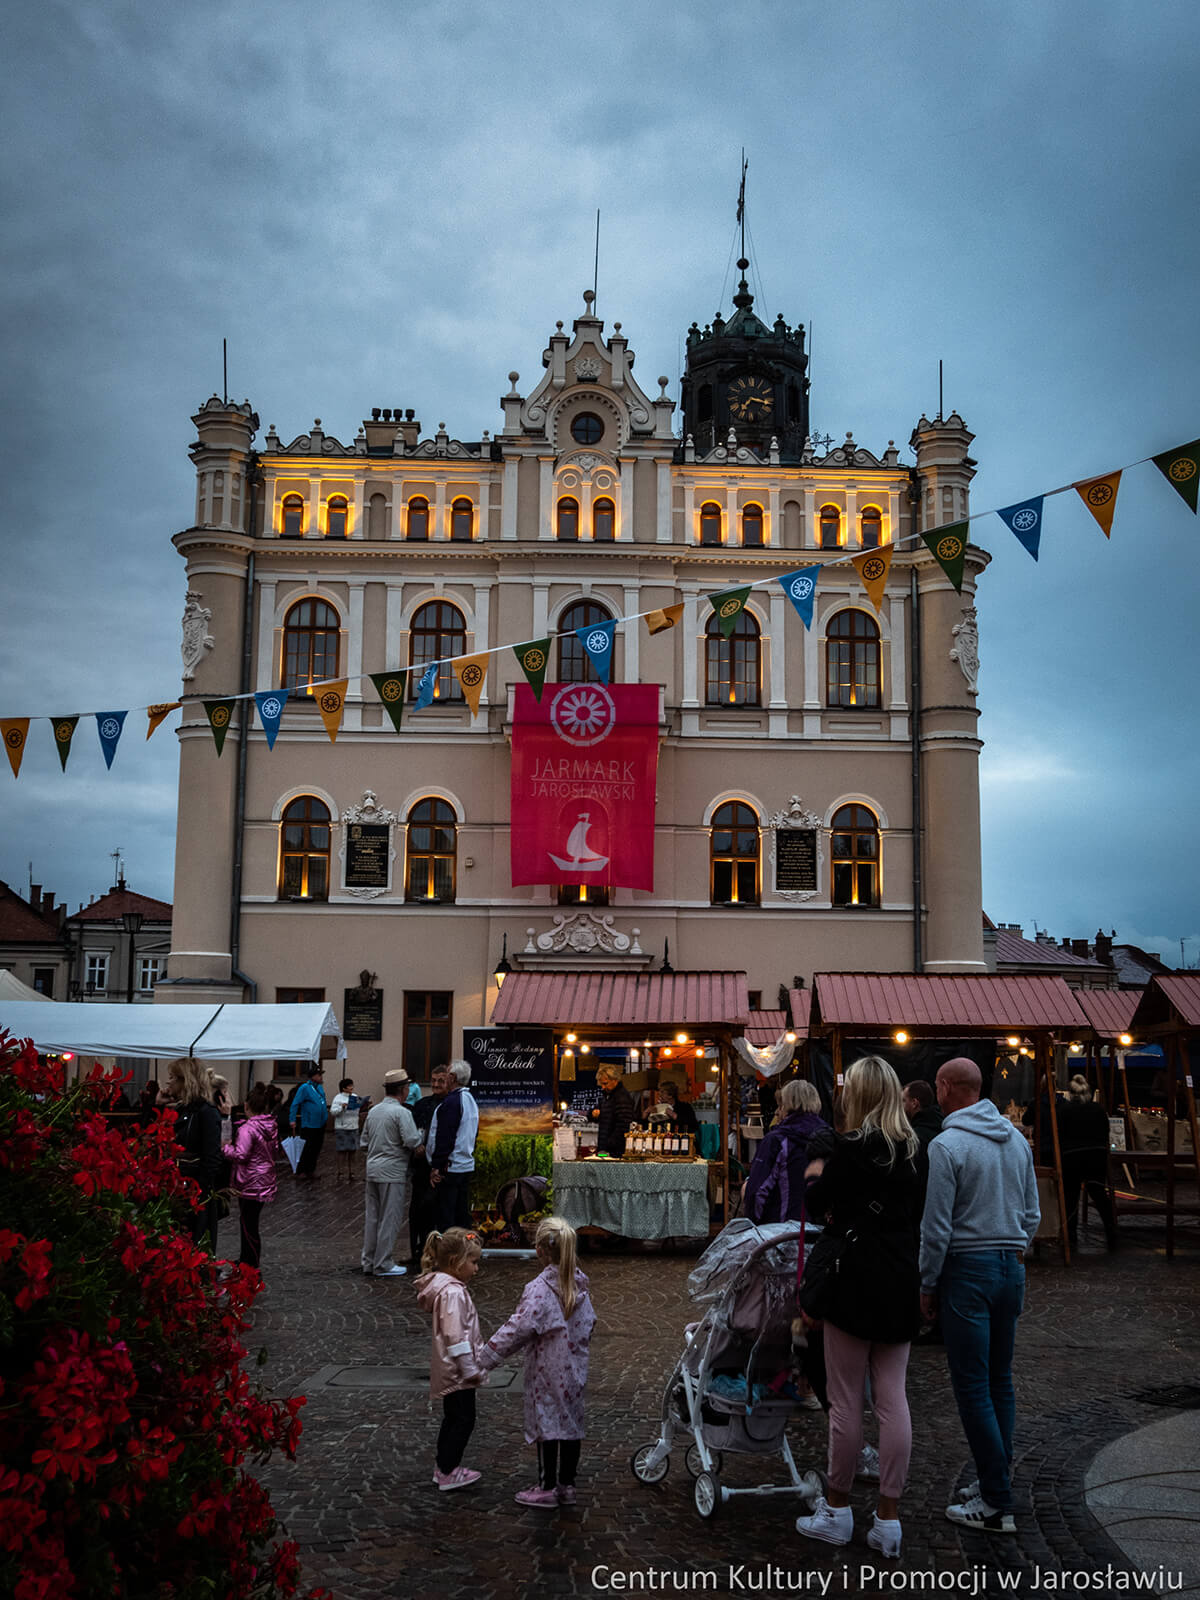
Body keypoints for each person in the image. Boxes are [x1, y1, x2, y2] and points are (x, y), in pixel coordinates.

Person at [794, 1056, 922, 1559]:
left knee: (846, 1401)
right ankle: (888, 1519)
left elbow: (815, 1200)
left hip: (852, 1282)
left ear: (859, 1096)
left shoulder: (849, 1149)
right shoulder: (915, 1151)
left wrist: (818, 1173)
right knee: (893, 1400)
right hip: (899, 1280)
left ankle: (838, 1510)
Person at [920, 1057, 1040, 1535]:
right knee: (1000, 1381)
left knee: (972, 1387)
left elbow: (937, 1225)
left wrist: (927, 1282)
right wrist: (1016, 1246)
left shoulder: (946, 1146)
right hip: (1010, 1266)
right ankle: (994, 1480)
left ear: (947, 1087)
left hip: (966, 1270)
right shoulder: (1015, 1140)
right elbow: (1031, 1211)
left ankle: (995, 1499)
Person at [478, 1216, 596, 1508]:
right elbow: (589, 1324)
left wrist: (485, 1357)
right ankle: (567, 1485)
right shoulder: (579, 1285)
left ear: (540, 1250)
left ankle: (546, 1486)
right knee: (569, 1424)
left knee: (547, 1425)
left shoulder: (540, 1290)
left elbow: (517, 1328)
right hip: (574, 1369)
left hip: (546, 1370)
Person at [414, 1227, 486, 1491]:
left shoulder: (448, 1289)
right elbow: (456, 1336)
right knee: (463, 1420)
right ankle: (448, 1469)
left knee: (453, 1418)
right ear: (456, 1263)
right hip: (457, 1371)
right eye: (474, 1262)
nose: (476, 1269)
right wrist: (469, 1368)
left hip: (451, 1368)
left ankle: (444, 1466)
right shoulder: (453, 1293)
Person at [360, 1069, 421, 1277]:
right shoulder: (402, 1113)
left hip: (372, 1169)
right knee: (390, 1218)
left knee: (372, 1218)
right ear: (404, 1090)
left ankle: (368, 1261)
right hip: (393, 1171)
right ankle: (383, 1263)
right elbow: (412, 1141)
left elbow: (363, 1142)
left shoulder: (374, 1111)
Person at [742, 1078, 829, 1223]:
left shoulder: (777, 1140)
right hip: (822, 1233)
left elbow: (757, 1193)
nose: (777, 1111)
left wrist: (755, 1223)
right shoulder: (831, 1138)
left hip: (782, 1233)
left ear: (785, 1107)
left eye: (780, 1106)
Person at [162, 1056, 223, 1253]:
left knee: (193, 1248)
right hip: (175, 1190)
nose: (168, 1081)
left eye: (172, 1077)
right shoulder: (182, 1109)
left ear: (184, 1081)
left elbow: (212, 1158)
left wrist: (198, 1193)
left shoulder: (206, 1112)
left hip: (194, 1193)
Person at [222, 1082, 281, 1273]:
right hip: (264, 1178)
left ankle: (250, 1262)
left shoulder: (248, 1128)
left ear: (246, 1106)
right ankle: (247, 1259)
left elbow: (241, 1155)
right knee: (250, 1222)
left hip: (250, 1181)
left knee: (248, 1224)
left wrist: (225, 1147)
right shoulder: (270, 1125)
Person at [1058, 1075, 1117, 1251]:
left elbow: (1060, 1133)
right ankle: (1111, 1231)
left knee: (1071, 1198)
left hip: (1071, 1157)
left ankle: (1071, 1235)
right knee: (1100, 1196)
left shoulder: (1064, 1110)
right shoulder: (1098, 1110)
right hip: (1095, 1157)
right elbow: (1106, 1132)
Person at [428, 1061, 479, 1230]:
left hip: (452, 1167)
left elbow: (445, 1137)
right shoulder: (470, 1099)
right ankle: (462, 1250)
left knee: (446, 1216)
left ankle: (448, 1252)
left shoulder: (452, 1102)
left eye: (448, 1075)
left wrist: (436, 1166)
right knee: (461, 1214)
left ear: (453, 1078)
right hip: (465, 1164)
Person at [411, 1066, 450, 1263]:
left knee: (434, 1209)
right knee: (417, 1209)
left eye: (440, 1081)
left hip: (440, 1166)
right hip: (420, 1166)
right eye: (433, 1080)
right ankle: (416, 1251)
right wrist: (416, 1146)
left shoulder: (451, 1105)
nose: (435, 1084)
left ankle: (435, 1253)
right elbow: (412, 1129)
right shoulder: (422, 1104)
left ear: (448, 1082)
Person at [290, 1064, 329, 1181]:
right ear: (313, 1077)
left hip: (320, 1124)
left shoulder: (319, 1088)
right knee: (307, 1148)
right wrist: (292, 1119)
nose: (321, 1077)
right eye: (319, 1075)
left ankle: (311, 1169)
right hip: (309, 1124)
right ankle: (301, 1170)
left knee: (316, 1148)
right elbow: (295, 1103)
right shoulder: (305, 1088)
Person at [591, 1066, 634, 1157]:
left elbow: (623, 1124)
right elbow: (594, 1112)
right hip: (606, 1147)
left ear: (614, 1080)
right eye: (601, 1084)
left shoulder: (622, 1097)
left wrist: (609, 1144)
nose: (603, 1087)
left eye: (605, 1084)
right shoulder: (606, 1096)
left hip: (615, 1149)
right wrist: (593, 1114)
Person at [329, 1076, 365, 1184]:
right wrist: (342, 1107)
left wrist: (363, 1106)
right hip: (342, 1127)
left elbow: (358, 1108)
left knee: (353, 1150)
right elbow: (333, 1112)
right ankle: (341, 1172)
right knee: (342, 1150)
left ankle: (352, 1171)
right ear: (344, 1088)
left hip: (353, 1126)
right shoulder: (338, 1098)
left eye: (352, 1085)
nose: (351, 1088)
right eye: (349, 1086)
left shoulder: (355, 1096)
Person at [903, 1080, 943, 1154]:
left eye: (903, 1100)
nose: (900, 1106)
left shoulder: (915, 1138)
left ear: (914, 1103)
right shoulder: (942, 1127)